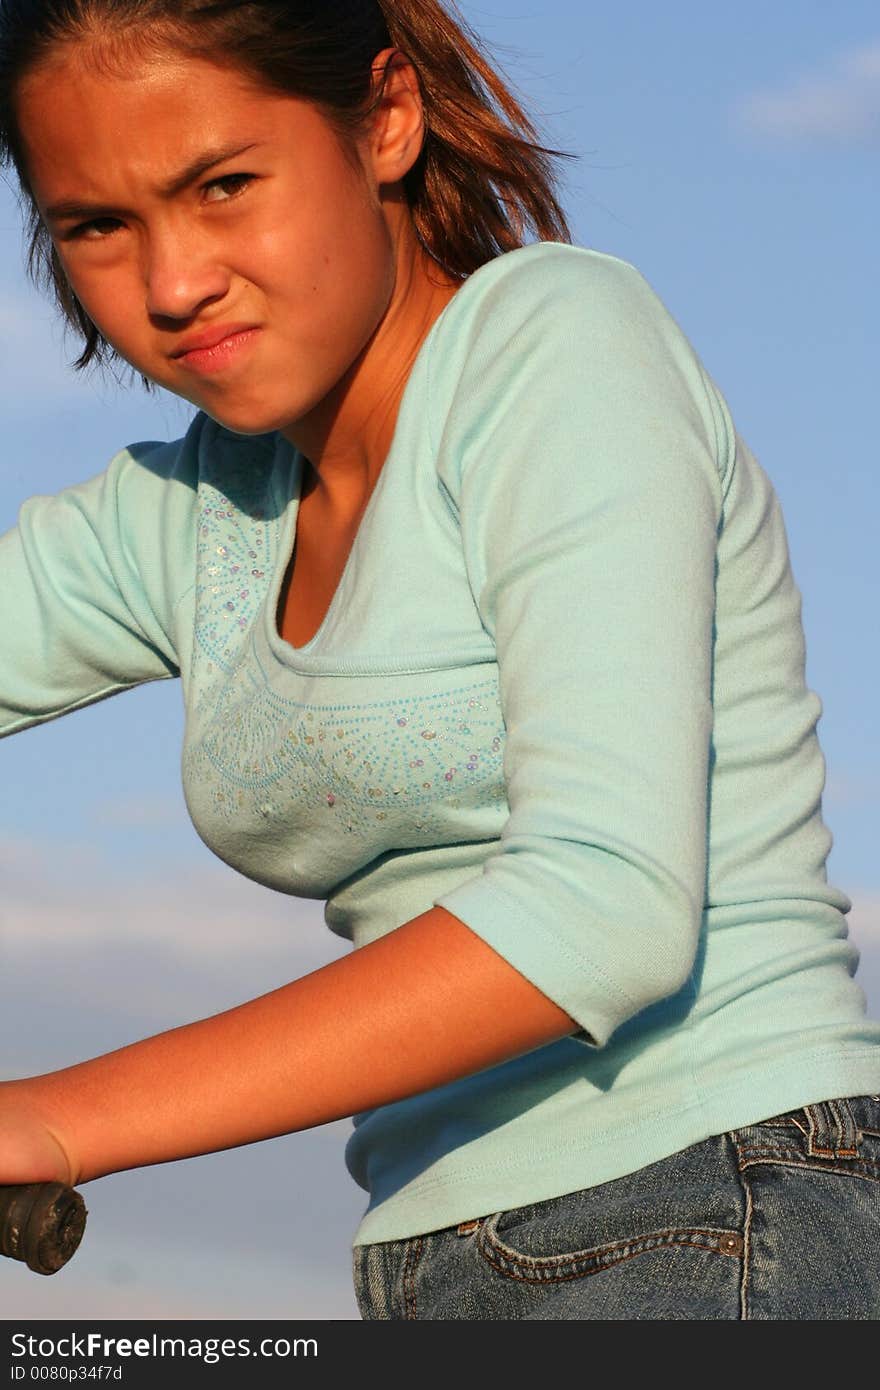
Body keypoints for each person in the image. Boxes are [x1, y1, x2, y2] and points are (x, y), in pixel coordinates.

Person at [0, 0, 878, 1323]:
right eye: (99, 227)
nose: (172, 284)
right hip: (435, 1251)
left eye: (224, 186)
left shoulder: (552, 347)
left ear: (387, 119)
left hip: (716, 1197)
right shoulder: (197, 515)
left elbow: (602, 908)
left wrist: (54, 1123)